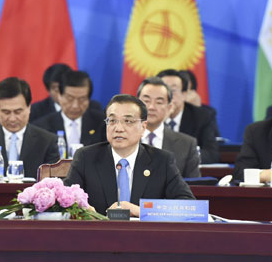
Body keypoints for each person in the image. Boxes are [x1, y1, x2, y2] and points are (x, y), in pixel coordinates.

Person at [65, 94, 195, 217]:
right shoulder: (86, 157)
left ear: (143, 127)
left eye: (128, 121)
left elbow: (188, 206)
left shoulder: (162, 161)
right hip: (98, 232)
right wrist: (85, 212)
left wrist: (139, 210)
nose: (118, 128)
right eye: (112, 120)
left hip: (144, 233)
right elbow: (65, 200)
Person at [0, 77, 59, 180]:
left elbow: (53, 183)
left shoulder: (47, 141)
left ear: (29, 108)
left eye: (18, 112)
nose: (12, 119)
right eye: (6, 112)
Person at [137, 77, 200, 178]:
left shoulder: (187, 144)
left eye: (159, 102)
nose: (151, 107)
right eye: (146, 101)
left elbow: (194, 185)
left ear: (169, 107)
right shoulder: (122, 138)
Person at [156, 69, 220, 163]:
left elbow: (211, 154)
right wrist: (162, 121)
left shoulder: (202, 117)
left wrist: (183, 156)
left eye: (173, 90)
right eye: (163, 90)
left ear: (184, 94)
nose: (168, 96)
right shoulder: (149, 117)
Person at [32, 70, 105, 147]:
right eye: (70, 98)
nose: (75, 106)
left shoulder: (102, 124)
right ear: (59, 96)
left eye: (82, 99)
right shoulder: (41, 128)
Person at [29, 63, 104, 121]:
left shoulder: (94, 108)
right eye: (56, 90)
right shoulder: (35, 111)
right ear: (48, 90)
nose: (75, 105)